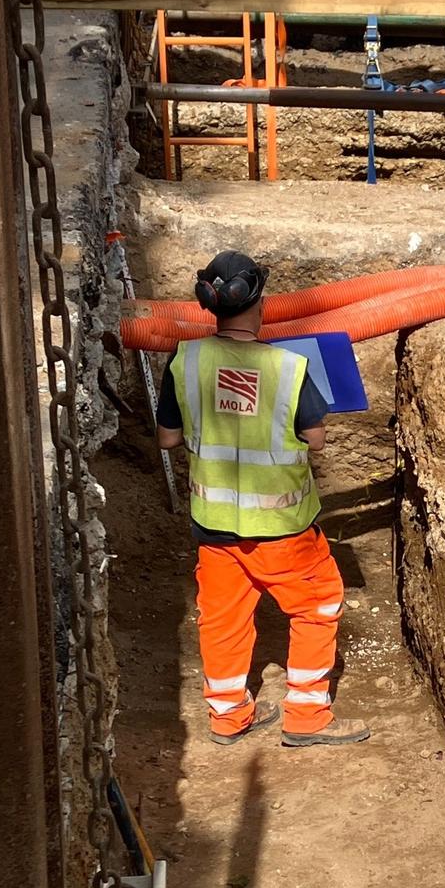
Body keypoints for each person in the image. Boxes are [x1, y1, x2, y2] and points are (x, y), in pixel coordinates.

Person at [156, 250, 370, 749]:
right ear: (261, 304)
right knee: (318, 606)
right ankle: (307, 716)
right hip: (284, 529)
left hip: (214, 527)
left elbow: (168, 439)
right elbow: (314, 440)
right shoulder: (289, 368)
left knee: (223, 620)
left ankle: (229, 718)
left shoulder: (184, 360)